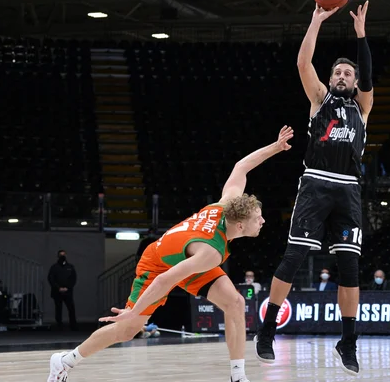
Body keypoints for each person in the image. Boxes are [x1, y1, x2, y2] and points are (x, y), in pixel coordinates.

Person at [48, 126, 295, 382]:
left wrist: (275, 147)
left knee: (235, 303)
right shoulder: (210, 251)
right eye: (258, 218)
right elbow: (164, 280)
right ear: (240, 226)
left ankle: (238, 376)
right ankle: (65, 361)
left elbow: (241, 167)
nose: (263, 221)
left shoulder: (227, 204)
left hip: (187, 260)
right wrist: (134, 313)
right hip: (158, 265)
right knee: (127, 330)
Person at [255, 1, 373, 376]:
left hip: (349, 190)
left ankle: (348, 340)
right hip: (316, 183)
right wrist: (315, 21)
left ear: (354, 82)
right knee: (293, 258)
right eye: (337, 71)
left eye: (347, 73)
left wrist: (360, 35)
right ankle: (268, 328)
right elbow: (303, 64)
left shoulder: (363, 107)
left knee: (350, 268)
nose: (342, 75)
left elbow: (368, 77)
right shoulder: (319, 99)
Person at [48, 250, 77, 331]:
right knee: (58, 309)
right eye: (61, 255)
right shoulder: (54, 267)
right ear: (58, 256)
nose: (62, 257)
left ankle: (73, 325)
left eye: (63, 255)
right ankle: (59, 325)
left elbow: (73, 279)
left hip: (68, 292)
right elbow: (51, 279)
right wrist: (58, 288)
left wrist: (67, 287)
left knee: (71, 308)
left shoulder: (70, 267)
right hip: (57, 292)